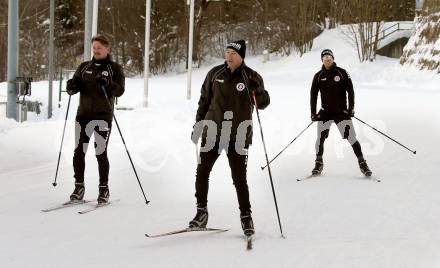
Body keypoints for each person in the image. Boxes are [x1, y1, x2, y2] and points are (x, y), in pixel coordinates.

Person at [190, 40, 270, 236]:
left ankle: (246, 217)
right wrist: (198, 123)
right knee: (202, 172)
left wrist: (257, 90)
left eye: (233, 53)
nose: (229, 56)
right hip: (213, 131)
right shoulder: (214, 74)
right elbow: (204, 101)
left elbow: (264, 103)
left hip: (238, 134)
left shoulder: (252, 76)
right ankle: (201, 213)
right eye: (227, 52)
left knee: (239, 179)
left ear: (241, 56)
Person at [66, 35, 125, 203]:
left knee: (100, 152)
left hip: (103, 117)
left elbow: (120, 90)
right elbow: (75, 85)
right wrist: (71, 87)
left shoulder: (115, 69)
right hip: (83, 115)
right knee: (79, 151)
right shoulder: (85, 67)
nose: (96, 50)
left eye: (99, 47)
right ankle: (79, 187)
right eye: (94, 47)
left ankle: (103, 189)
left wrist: (108, 83)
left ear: (107, 49)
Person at [310, 49, 372, 177]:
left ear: (333, 58)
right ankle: (318, 163)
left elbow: (351, 91)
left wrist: (351, 108)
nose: (327, 59)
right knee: (320, 139)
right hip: (325, 112)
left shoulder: (342, 73)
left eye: (329, 57)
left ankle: (362, 163)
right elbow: (313, 95)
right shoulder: (318, 76)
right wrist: (313, 112)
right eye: (325, 57)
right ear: (322, 60)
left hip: (341, 112)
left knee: (352, 138)